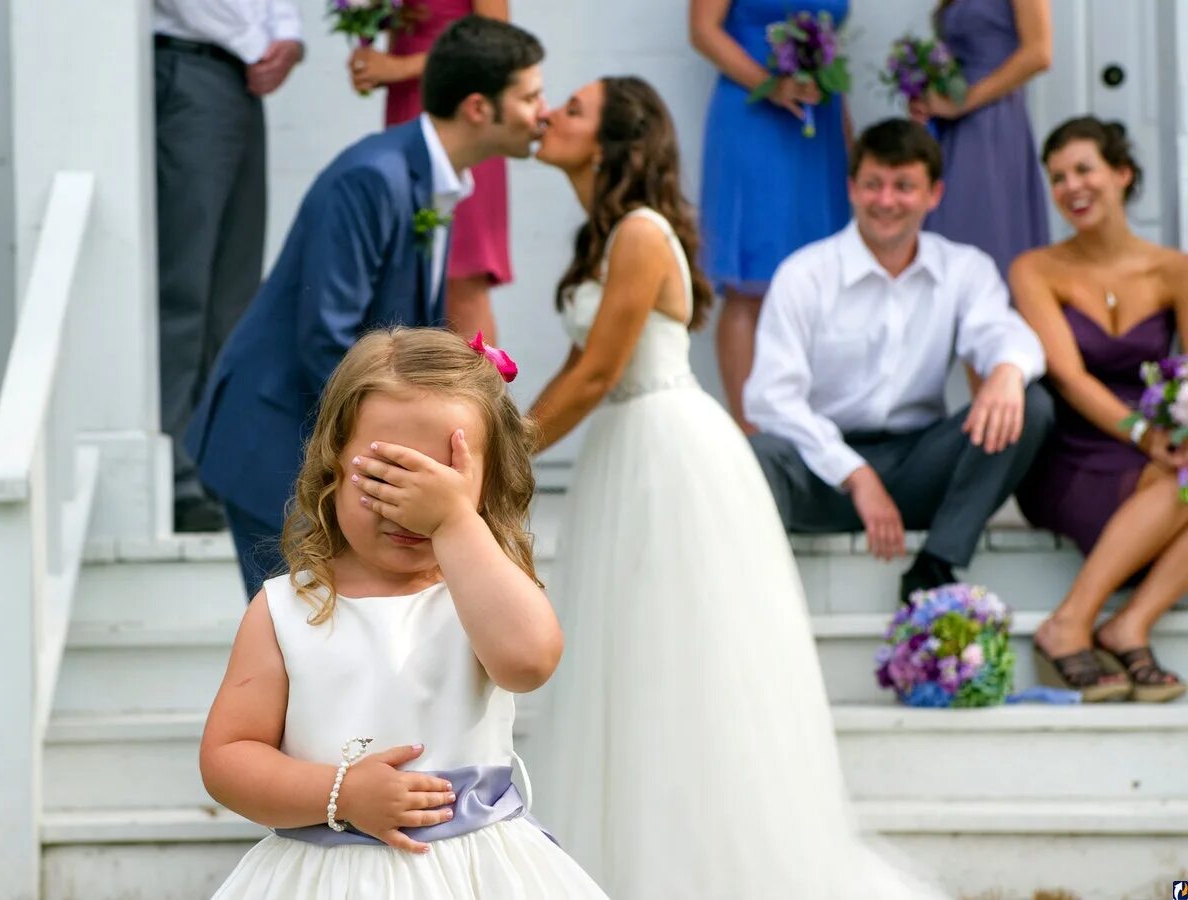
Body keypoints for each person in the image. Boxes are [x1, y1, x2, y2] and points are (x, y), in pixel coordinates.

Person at [392, 74, 944, 898]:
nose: (549, 115)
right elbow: (585, 375)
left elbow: (596, 373)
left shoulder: (644, 235)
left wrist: (498, 463)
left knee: (678, 660)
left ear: (616, 139)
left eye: (572, 109)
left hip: (670, 456)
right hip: (625, 451)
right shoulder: (604, 233)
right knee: (625, 658)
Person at [200, 328, 608, 899]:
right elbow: (229, 757)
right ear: (333, 465)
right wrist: (338, 792)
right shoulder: (287, 609)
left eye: (438, 481)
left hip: (474, 874)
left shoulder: (479, 592)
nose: (410, 504)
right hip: (327, 876)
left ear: (486, 485)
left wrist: (456, 524)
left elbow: (529, 662)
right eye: (386, 475)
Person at [184, 16, 546, 599]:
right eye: (530, 97)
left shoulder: (435, 179)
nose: (542, 113)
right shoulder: (371, 179)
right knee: (301, 642)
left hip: (323, 447)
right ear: (480, 108)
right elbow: (326, 339)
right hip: (275, 440)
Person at [745, 118, 1053, 606]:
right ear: (852, 188)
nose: (885, 201)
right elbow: (770, 399)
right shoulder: (805, 274)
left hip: (919, 466)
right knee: (758, 455)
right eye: (873, 184)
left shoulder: (963, 267)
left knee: (1031, 403)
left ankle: (935, 565)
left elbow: (1005, 334)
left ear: (935, 194)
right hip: (824, 472)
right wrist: (856, 475)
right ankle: (760, 593)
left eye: (904, 186)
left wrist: (1006, 372)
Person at [1013, 117, 1188, 703]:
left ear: (1122, 174)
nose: (1071, 187)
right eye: (1057, 177)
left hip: (1158, 445)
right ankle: (1070, 623)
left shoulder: (1174, 270)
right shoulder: (1035, 268)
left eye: (1084, 169)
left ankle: (1127, 623)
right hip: (1072, 449)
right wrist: (1144, 434)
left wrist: (1174, 429)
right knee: (1181, 482)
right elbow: (1067, 374)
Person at [154, 0, 305, 532]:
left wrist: (287, 35)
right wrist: (251, 40)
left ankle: (220, 467)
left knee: (234, 294)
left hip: (238, 83)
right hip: (188, 64)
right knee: (184, 289)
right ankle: (176, 473)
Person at [691, 0, 853, 433]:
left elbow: (832, 46)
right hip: (753, 113)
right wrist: (772, 86)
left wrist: (848, 139)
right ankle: (752, 442)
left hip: (820, 124)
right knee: (749, 282)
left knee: (824, 280)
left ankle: (816, 433)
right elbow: (704, 31)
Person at [348, 0, 513, 343]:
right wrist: (373, 62)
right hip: (408, 116)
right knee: (408, 280)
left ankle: (481, 396)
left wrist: (399, 66)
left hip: (461, 121)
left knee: (460, 281)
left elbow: (497, 41)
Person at [911, 0, 1051, 278]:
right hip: (951, 123)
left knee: (981, 221)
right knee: (940, 221)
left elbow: (1039, 54)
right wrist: (928, 94)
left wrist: (963, 104)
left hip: (990, 120)